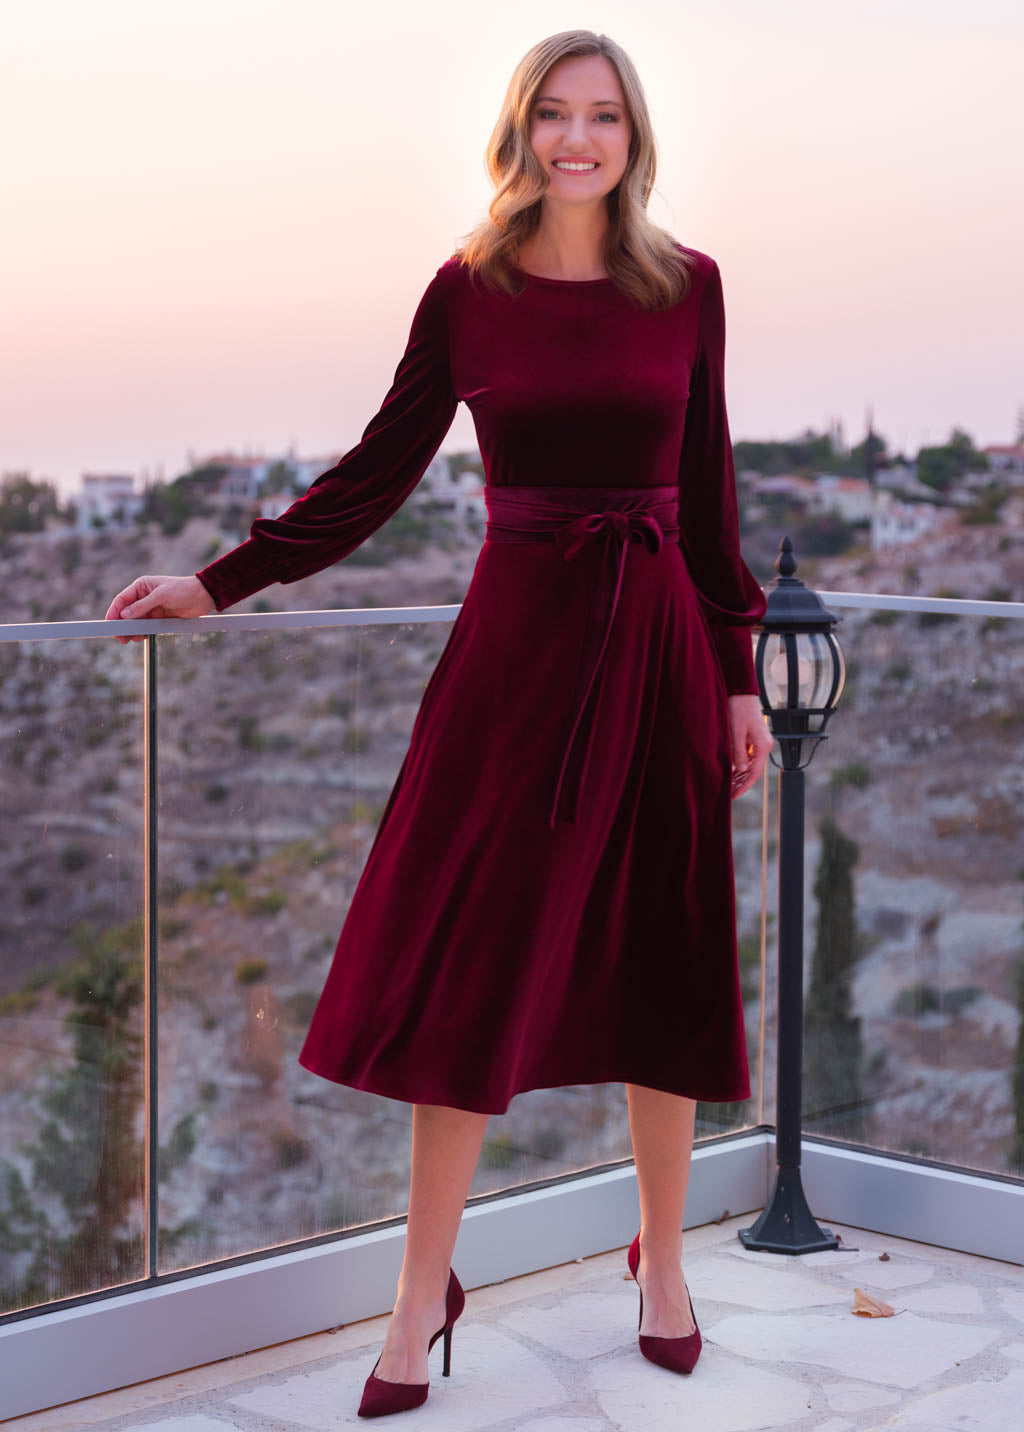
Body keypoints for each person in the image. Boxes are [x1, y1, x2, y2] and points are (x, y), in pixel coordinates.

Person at [106, 28, 772, 1419]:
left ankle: (661, 1264)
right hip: (518, 655)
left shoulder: (690, 288)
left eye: (603, 117)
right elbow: (377, 468)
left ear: (635, 138)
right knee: (473, 961)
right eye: (554, 114)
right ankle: (424, 1290)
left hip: (656, 648)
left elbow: (708, 505)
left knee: (668, 950)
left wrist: (737, 677)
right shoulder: (469, 289)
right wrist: (222, 583)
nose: (578, 139)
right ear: (520, 130)